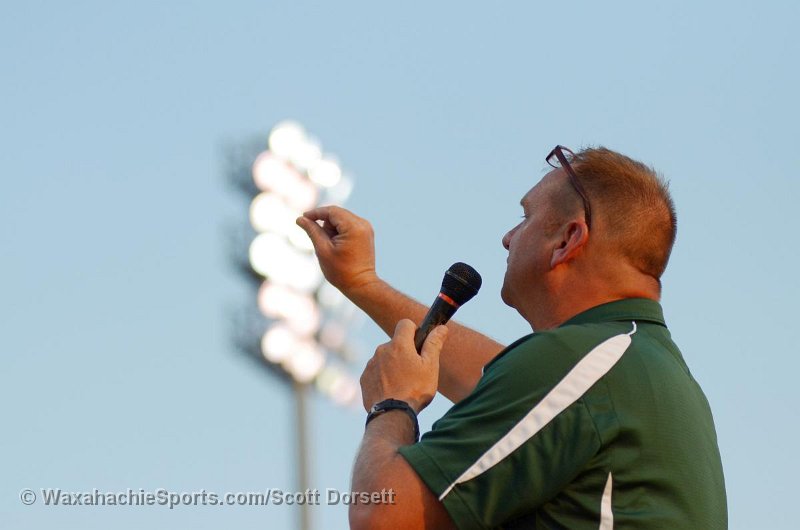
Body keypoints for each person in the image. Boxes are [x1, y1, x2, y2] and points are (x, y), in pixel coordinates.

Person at [296, 145, 727, 529]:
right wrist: (362, 282)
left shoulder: (581, 364)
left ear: (567, 239)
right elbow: (501, 382)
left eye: (525, 218)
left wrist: (393, 404)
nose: (507, 238)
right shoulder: (637, 365)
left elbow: (382, 517)